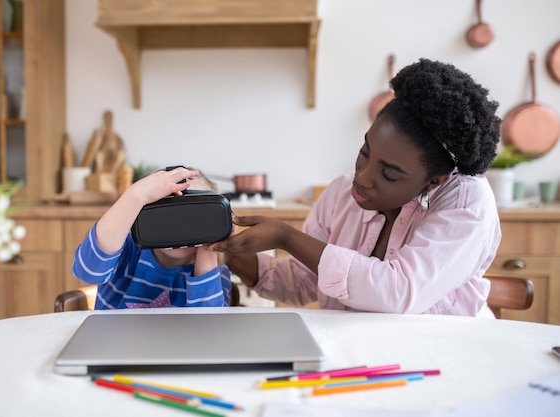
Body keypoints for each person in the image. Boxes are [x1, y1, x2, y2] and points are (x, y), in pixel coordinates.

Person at [208, 58, 502, 317]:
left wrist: (287, 237)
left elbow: (396, 292)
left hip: (443, 356)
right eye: (365, 152)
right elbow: (303, 282)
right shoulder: (340, 193)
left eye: (388, 174)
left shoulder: (467, 203)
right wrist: (229, 249)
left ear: (433, 180)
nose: (361, 177)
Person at [72, 167, 233, 309]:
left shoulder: (215, 269)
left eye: (193, 217)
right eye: (166, 214)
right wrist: (137, 194)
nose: (178, 228)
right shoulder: (128, 249)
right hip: (117, 342)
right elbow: (88, 272)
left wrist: (211, 247)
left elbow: (207, 330)